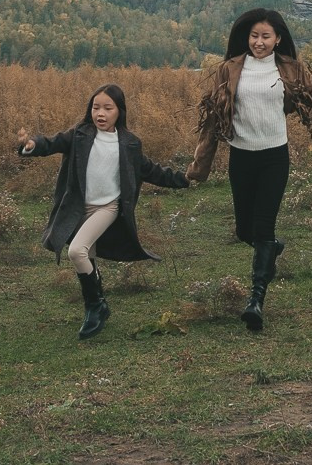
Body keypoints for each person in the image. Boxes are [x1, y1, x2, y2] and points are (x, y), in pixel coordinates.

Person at [189, 7, 312, 332]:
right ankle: (270, 250)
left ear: (278, 38)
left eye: (265, 36)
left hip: (274, 158)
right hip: (242, 158)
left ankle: (255, 299)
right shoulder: (229, 69)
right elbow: (213, 120)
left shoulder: (292, 70)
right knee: (245, 231)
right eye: (254, 36)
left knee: (264, 226)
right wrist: (199, 167)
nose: (258, 42)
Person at [16, 83, 189, 340]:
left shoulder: (129, 144)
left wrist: (185, 178)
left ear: (119, 111)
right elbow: (52, 142)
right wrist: (31, 144)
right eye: (96, 107)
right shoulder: (79, 134)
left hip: (108, 207)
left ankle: (96, 304)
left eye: (108, 108)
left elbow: (152, 171)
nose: (101, 113)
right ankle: (95, 302)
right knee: (88, 255)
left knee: (77, 250)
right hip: (79, 207)